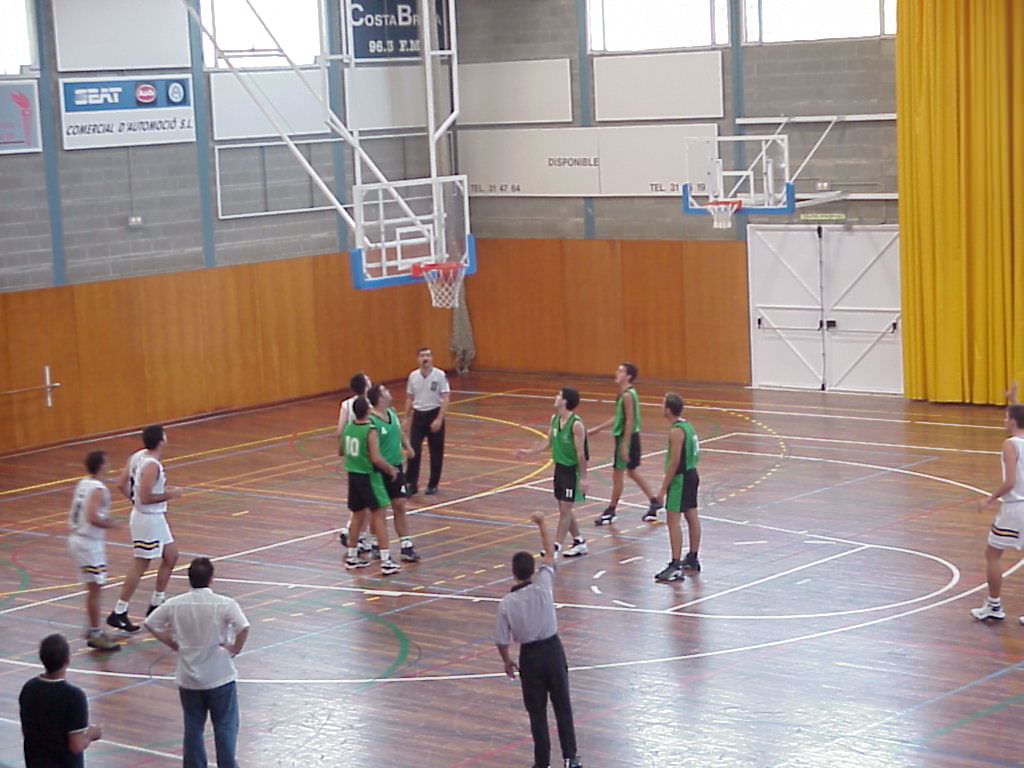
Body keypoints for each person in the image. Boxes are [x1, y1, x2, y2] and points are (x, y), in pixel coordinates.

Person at [495, 513, 583, 768]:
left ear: (513, 573)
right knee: (563, 707)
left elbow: (501, 639)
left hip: (530, 657)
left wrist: (507, 661)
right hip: (552, 650)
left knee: (537, 713)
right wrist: (542, 524)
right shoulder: (544, 584)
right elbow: (549, 553)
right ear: (533, 570)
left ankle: (542, 763)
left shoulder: (506, 603)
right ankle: (570, 758)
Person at [146, 558, 249, 768]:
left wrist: (171, 643)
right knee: (225, 727)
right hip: (219, 675)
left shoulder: (175, 604)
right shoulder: (224, 603)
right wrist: (235, 648)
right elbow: (243, 627)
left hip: (189, 677)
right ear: (211, 578)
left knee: (193, 726)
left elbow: (151, 622)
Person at [108, 425, 181, 633]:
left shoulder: (137, 456)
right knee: (141, 563)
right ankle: (119, 611)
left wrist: (134, 500)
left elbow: (121, 484)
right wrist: (170, 494)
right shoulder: (151, 465)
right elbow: (145, 497)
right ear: (161, 441)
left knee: (171, 556)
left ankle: (157, 603)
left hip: (154, 517)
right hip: (147, 519)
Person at [516, 387, 589, 558]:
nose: (555, 397)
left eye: (559, 395)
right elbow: (548, 442)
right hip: (559, 469)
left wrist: (583, 478)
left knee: (565, 510)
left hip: (571, 471)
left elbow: (581, 453)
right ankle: (579, 541)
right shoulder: (555, 419)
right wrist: (529, 452)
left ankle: (555, 547)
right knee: (565, 509)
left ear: (565, 401)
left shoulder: (576, 424)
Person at [970, 398, 1024, 622]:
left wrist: (990, 499)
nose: (1003, 421)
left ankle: (993, 605)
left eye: (1006, 417)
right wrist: (1014, 399)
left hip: (1015, 509)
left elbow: (1010, 482)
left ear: (1012, 421)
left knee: (992, 554)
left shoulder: (1010, 444)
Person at [590, 362, 660, 525]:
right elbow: (618, 417)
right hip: (627, 437)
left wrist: (624, 445)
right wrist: (598, 429)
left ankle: (611, 510)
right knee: (631, 472)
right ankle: (654, 501)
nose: (617, 373)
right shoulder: (625, 394)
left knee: (618, 475)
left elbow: (629, 421)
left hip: (626, 438)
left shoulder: (628, 395)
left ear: (628, 376)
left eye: (621, 371)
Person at [19, 633, 103, 768]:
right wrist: (91, 734)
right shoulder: (74, 696)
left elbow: (26, 731)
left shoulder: (29, 688)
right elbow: (76, 745)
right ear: (67, 660)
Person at [68, 450, 121, 651]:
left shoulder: (84, 483)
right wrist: (111, 524)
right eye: (106, 463)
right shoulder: (98, 489)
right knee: (95, 588)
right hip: (87, 543)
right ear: (100, 465)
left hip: (80, 539)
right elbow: (91, 516)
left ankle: (92, 627)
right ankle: (95, 632)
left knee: (94, 588)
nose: (109, 466)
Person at [341, 396, 401, 575]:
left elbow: (341, 450)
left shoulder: (349, 427)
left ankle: (352, 556)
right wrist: (390, 469)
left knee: (357, 515)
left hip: (353, 474)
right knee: (379, 516)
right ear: (367, 410)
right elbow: (375, 458)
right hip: (368, 476)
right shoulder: (370, 430)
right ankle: (386, 560)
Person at [368, 383, 421, 562]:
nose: (389, 392)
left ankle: (406, 545)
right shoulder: (371, 421)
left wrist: (408, 447)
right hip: (379, 470)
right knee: (379, 509)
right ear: (379, 398)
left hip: (396, 467)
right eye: (385, 391)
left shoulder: (391, 413)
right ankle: (376, 543)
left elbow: (399, 432)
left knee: (399, 504)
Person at [653, 393, 702, 582]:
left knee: (673, 520)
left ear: (668, 409)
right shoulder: (687, 426)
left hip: (680, 479)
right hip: (692, 473)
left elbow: (674, 462)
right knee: (692, 516)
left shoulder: (676, 431)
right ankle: (693, 558)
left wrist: (662, 489)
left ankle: (675, 565)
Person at [337, 372, 374, 556]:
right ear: (365, 386)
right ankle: (356, 533)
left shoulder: (346, 404)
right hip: (365, 457)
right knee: (367, 503)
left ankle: (355, 533)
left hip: (352, 457)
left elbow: (340, 431)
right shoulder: (369, 405)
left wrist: (344, 448)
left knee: (358, 502)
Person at [405, 346, 450, 496]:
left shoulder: (439, 375)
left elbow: (445, 397)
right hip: (418, 416)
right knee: (414, 450)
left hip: (434, 413)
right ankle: (412, 484)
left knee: (436, 451)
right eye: (423, 356)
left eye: (428, 355)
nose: (426, 358)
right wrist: (406, 418)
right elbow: (409, 398)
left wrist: (439, 419)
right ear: (418, 358)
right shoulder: (413, 376)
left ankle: (433, 484)